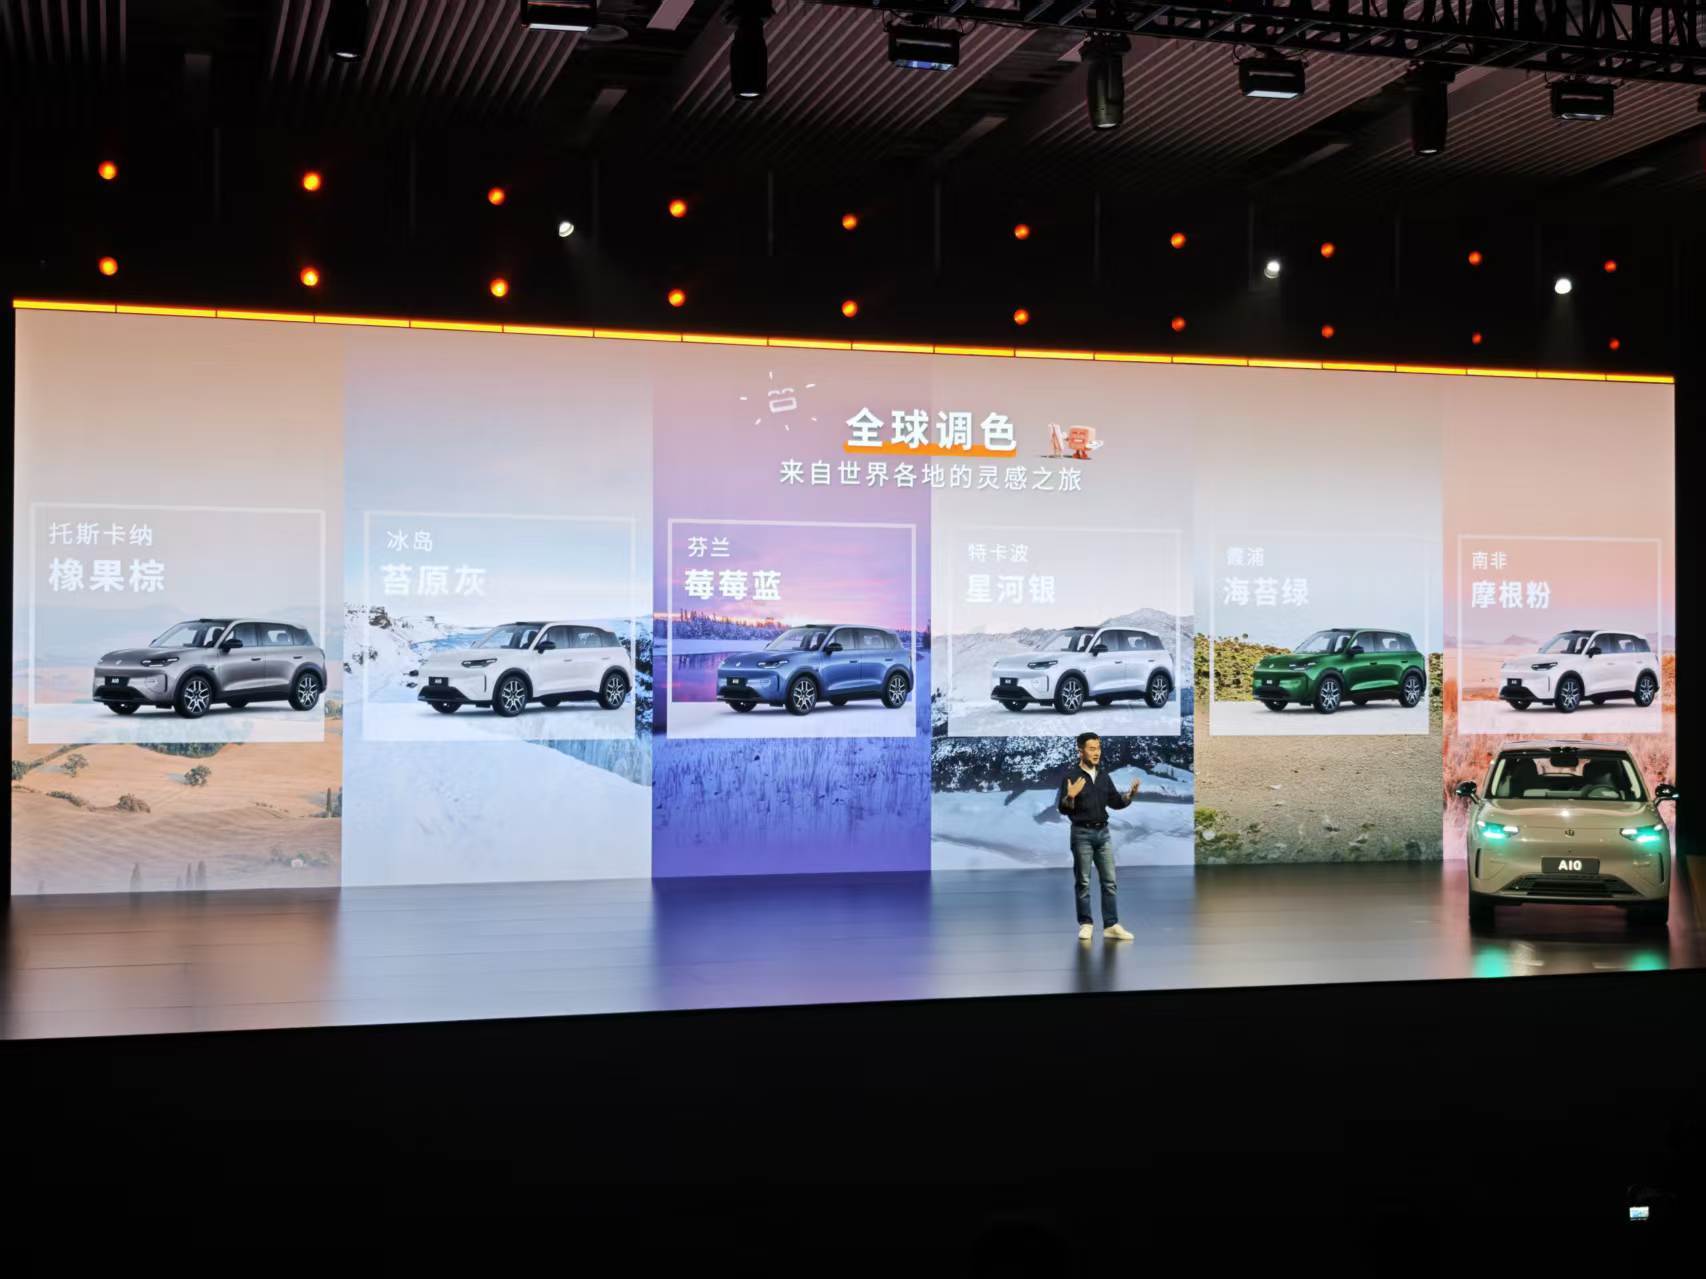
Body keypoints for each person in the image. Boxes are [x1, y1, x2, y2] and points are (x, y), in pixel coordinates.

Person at [1056, 731, 1140, 941]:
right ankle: (1086, 924)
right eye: (1092, 749)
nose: (1096, 753)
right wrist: (1070, 796)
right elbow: (1063, 809)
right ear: (1081, 751)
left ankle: (1111, 925)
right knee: (1083, 882)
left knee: (1109, 882)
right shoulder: (1071, 776)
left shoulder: (1103, 776)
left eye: (1099, 748)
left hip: (1103, 834)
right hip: (1081, 834)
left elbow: (1115, 802)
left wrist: (1129, 796)